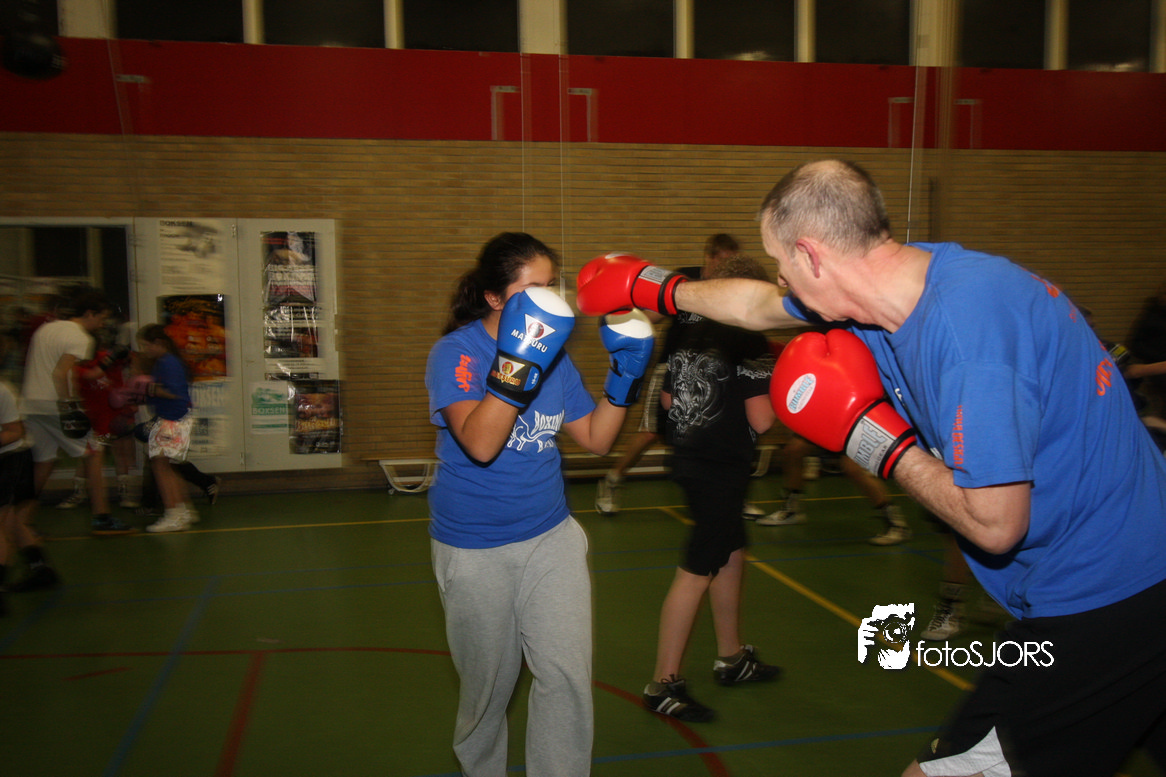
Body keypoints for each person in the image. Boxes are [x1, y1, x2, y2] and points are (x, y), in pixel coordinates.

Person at [576, 159, 1166, 777]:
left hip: (1105, 599)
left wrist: (870, 437)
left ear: (812, 254)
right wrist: (653, 287)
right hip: (1130, 574)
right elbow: (755, 306)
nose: (780, 278)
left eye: (781, 261)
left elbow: (996, 525)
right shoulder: (901, 286)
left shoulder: (966, 337)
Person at [425, 232, 650, 776]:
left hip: (551, 537)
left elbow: (597, 438)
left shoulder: (557, 360)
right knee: (488, 692)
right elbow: (480, 444)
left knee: (566, 677)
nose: (549, 299)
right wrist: (518, 363)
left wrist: (625, 379)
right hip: (475, 547)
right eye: (533, 289)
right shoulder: (455, 353)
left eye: (552, 286)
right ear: (494, 297)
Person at [642, 252, 781, 724]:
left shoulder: (685, 327)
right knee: (697, 567)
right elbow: (762, 420)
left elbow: (667, 400)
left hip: (686, 457)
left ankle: (731, 656)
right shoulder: (750, 337)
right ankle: (663, 683)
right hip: (722, 465)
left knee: (732, 549)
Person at [596, 234, 765, 519]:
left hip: (718, 371)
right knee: (651, 432)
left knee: (733, 428)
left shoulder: (732, 288)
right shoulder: (684, 282)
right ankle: (613, 479)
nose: (727, 268)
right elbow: (652, 315)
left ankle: (735, 494)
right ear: (710, 257)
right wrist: (622, 317)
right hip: (674, 368)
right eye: (724, 261)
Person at [20, 286, 130, 535]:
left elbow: (76, 372)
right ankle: (102, 518)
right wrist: (70, 406)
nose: (102, 323)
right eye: (101, 317)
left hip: (32, 404)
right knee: (94, 454)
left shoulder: (47, 329)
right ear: (89, 313)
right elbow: (61, 373)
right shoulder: (81, 337)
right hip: (55, 405)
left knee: (43, 461)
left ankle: (19, 520)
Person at [756, 432, 912, 545]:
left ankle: (896, 525)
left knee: (852, 468)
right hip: (829, 422)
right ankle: (791, 510)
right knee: (794, 449)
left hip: (853, 423)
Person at [0, 377, 59, 612]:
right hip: (11, 458)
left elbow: (16, 432)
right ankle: (41, 569)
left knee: (3, 524)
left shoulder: (2, 390)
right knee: (13, 521)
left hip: (10, 459)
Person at [134, 324, 197, 533]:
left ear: (158, 343)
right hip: (173, 418)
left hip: (172, 419)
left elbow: (175, 393)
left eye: (146, 345)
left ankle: (173, 514)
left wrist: (149, 388)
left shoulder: (168, 363)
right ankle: (183, 510)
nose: (145, 350)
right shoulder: (165, 362)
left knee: (160, 467)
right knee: (166, 467)